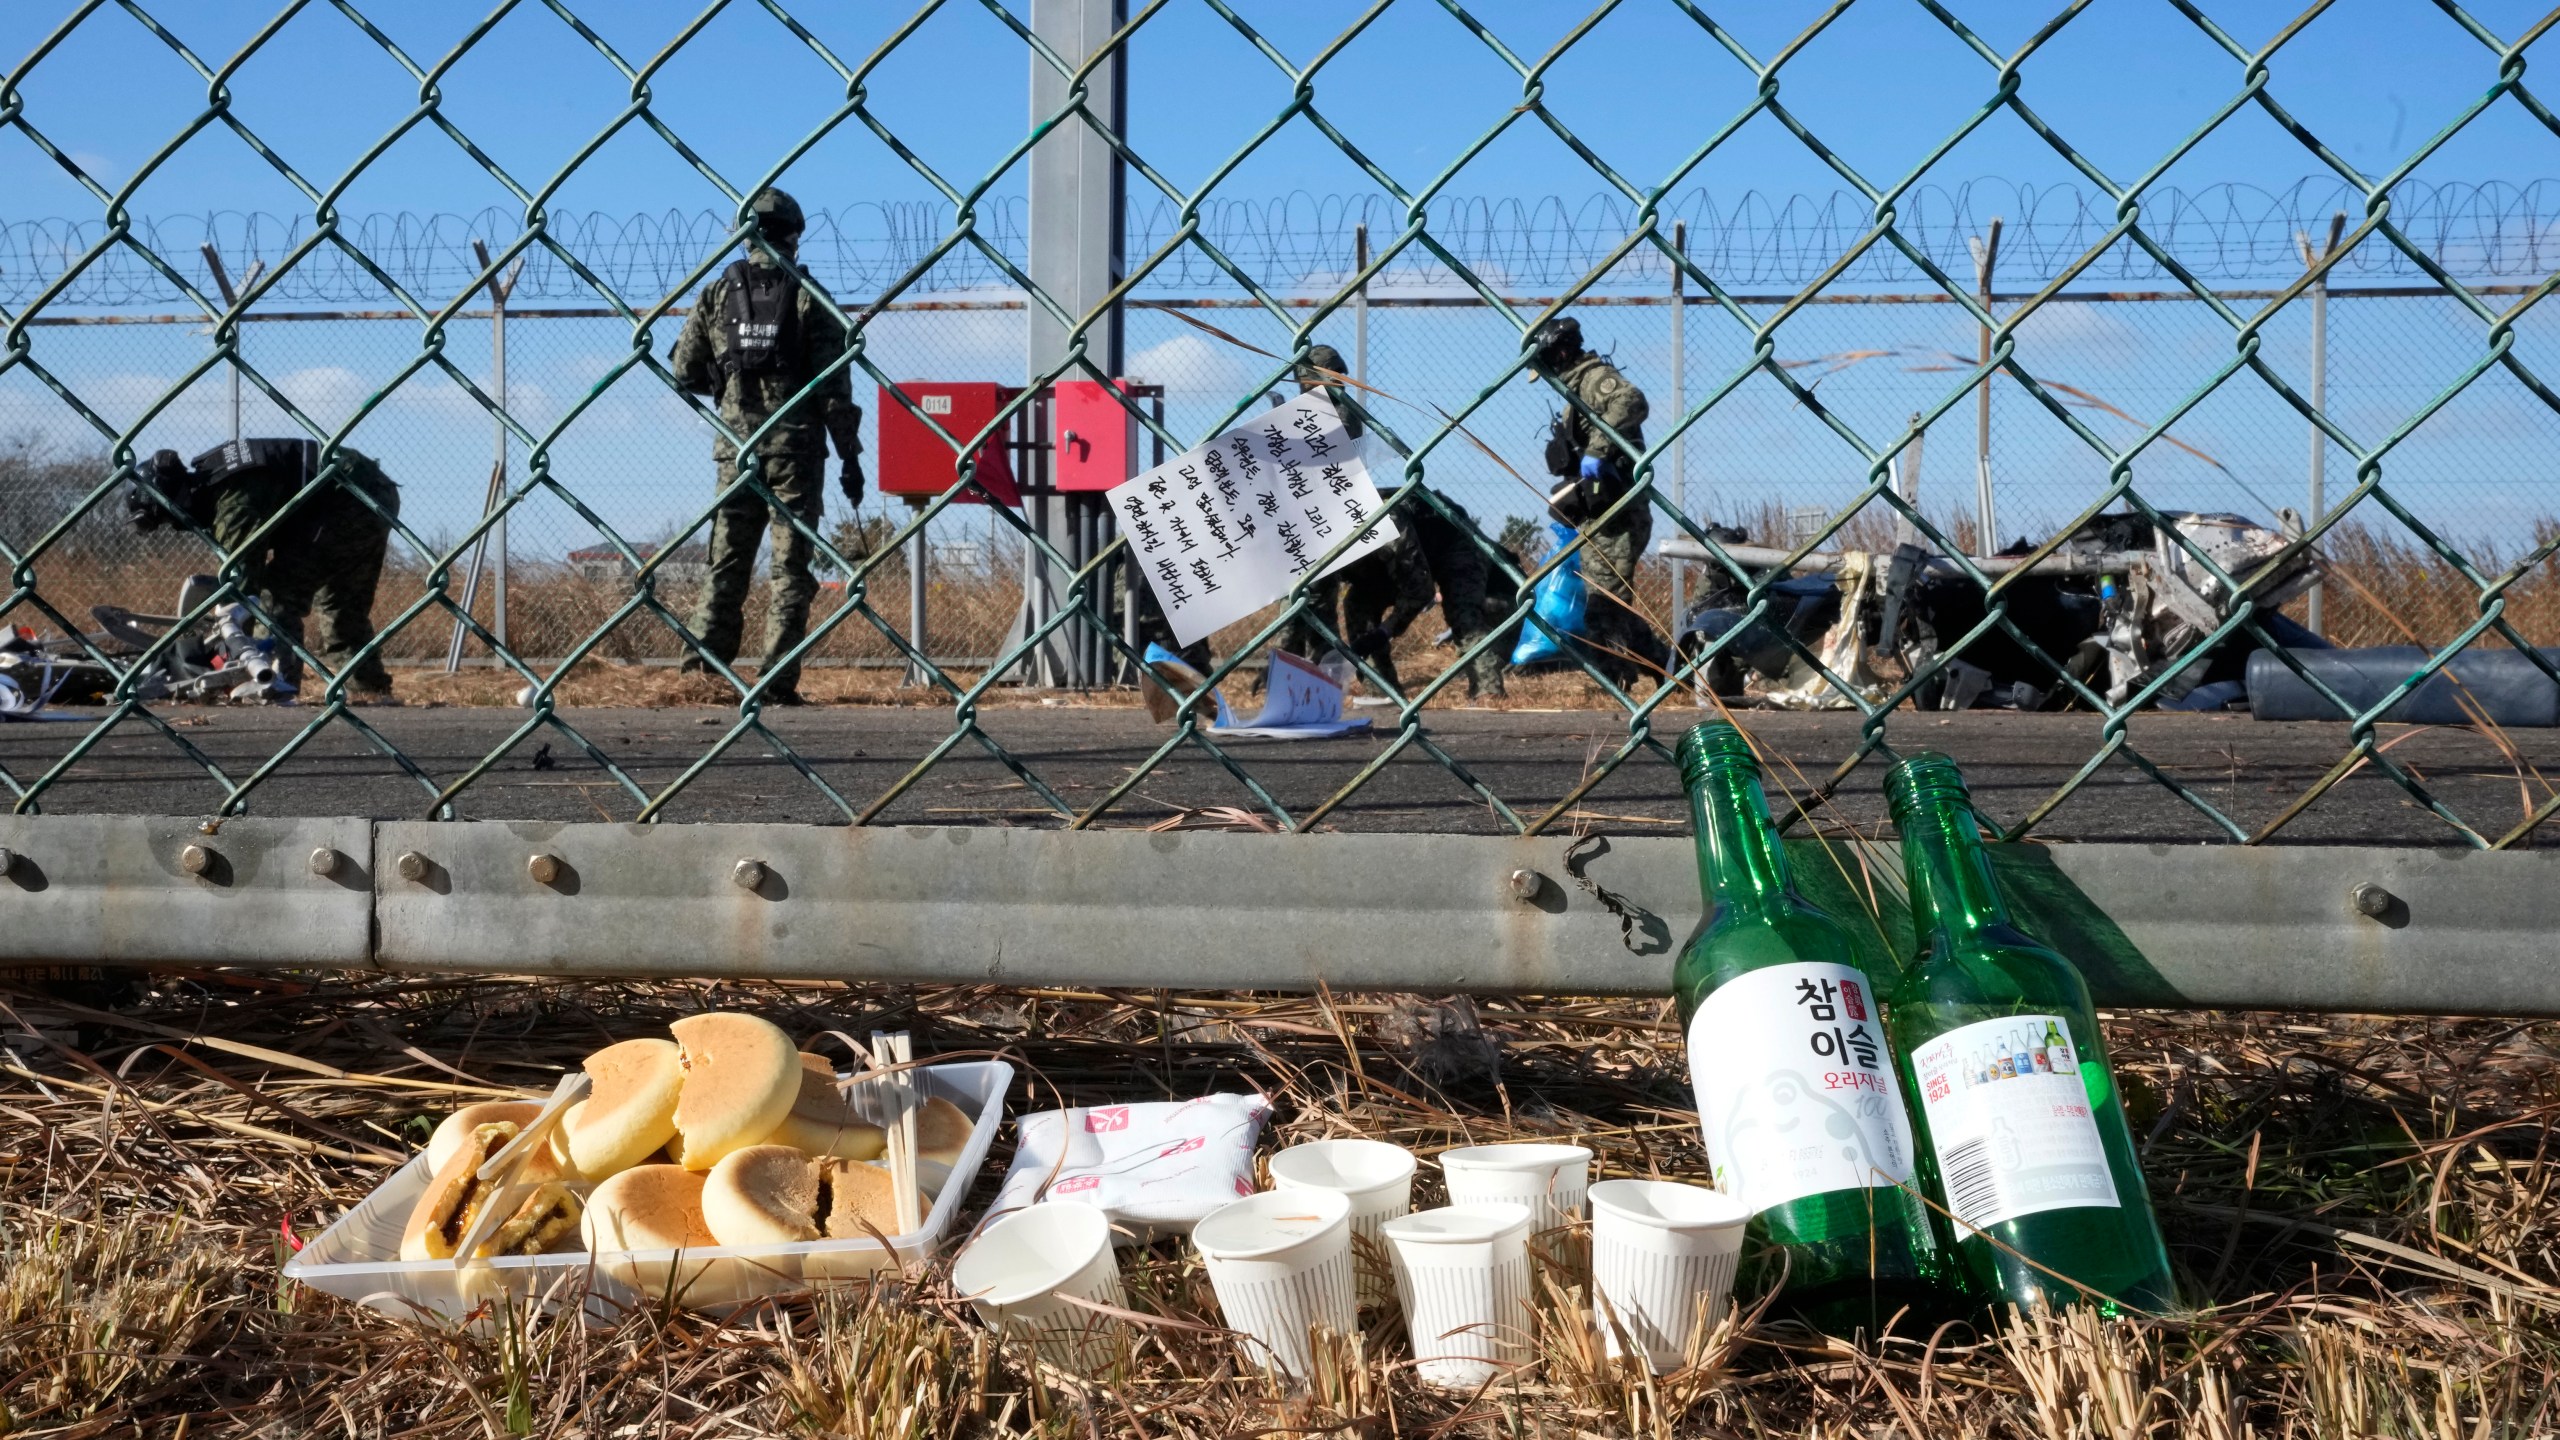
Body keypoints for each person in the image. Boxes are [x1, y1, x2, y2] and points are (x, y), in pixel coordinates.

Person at [668, 187, 865, 705]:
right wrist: (850, 457)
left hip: (736, 452)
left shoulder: (716, 294)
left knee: (726, 562)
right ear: (795, 236)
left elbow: (682, 370)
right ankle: (776, 682)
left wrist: (729, 382)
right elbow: (834, 391)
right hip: (796, 455)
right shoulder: (810, 297)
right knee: (790, 571)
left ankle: (701, 675)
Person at [1290, 344, 1509, 700]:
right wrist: (1285, 656)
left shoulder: (1386, 520)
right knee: (1358, 606)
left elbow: (1419, 592)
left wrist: (1387, 631)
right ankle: (1382, 694)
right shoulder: (1324, 529)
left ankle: (1488, 694)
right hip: (1384, 567)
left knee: (1463, 615)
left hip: (1450, 539)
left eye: (1310, 384)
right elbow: (1309, 599)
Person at [130, 438, 399, 697]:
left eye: (168, 520)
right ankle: (369, 689)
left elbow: (242, 586)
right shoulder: (219, 476)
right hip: (371, 489)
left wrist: (220, 647)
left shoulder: (231, 500)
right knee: (341, 603)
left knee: (272, 601)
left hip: (345, 497)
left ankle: (273, 683)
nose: (177, 528)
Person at [1526, 314, 1669, 688]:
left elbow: (1631, 400)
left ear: (1558, 353)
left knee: (1603, 607)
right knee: (1607, 600)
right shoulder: (1576, 391)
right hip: (1601, 513)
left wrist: (1599, 449)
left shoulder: (1593, 380)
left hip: (1620, 511)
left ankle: (1618, 678)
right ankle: (1664, 666)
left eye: (1546, 366)